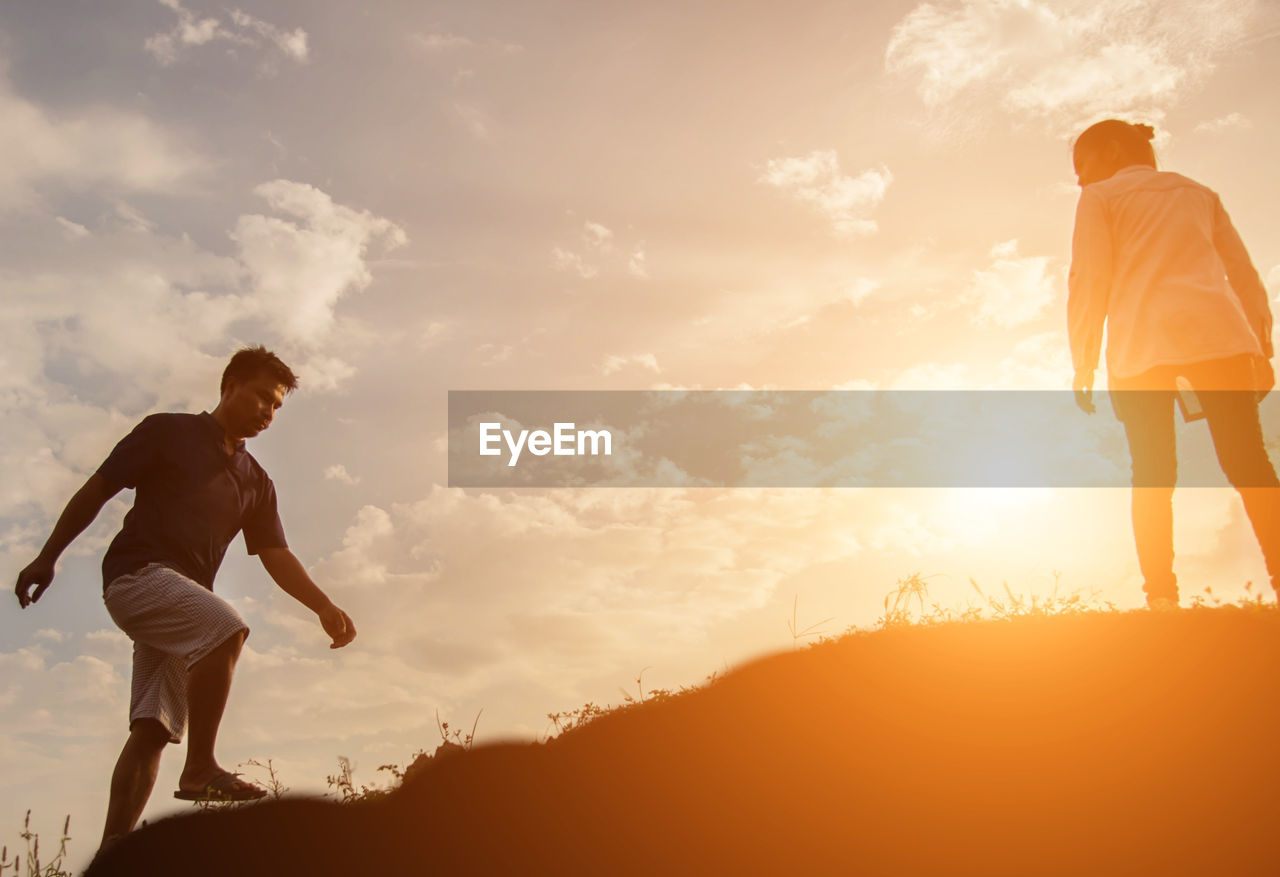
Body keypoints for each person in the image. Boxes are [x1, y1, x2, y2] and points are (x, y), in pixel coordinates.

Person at [13, 345, 357, 847]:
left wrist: (323, 605)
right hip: (137, 575)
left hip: (180, 602)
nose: (268, 412)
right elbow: (98, 489)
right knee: (226, 626)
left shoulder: (256, 481)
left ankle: (114, 852)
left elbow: (276, 555)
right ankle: (200, 769)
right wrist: (48, 557)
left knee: (153, 726)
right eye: (262, 397)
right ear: (230, 384)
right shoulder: (167, 432)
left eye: (277, 406)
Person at [1067, 119, 1278, 610]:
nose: (1079, 179)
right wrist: (1262, 349)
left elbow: (1088, 279)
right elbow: (1243, 274)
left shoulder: (1100, 198)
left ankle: (1160, 598)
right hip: (1219, 339)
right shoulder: (1200, 193)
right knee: (1249, 463)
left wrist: (1084, 361)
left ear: (1114, 151)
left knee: (1154, 472)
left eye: (1083, 165)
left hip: (1141, 346)